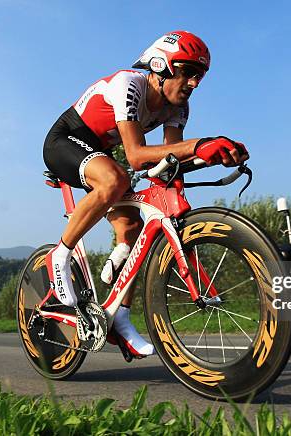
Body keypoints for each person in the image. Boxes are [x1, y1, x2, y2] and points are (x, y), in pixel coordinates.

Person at [42, 31, 248, 357]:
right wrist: (199, 144)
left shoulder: (178, 108)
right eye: (188, 73)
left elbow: (168, 158)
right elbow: (138, 155)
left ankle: (119, 316)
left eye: (200, 76)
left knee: (137, 230)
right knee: (116, 179)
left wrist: (213, 154)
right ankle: (60, 256)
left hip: (101, 154)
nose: (194, 83)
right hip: (65, 142)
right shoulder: (130, 84)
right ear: (162, 66)